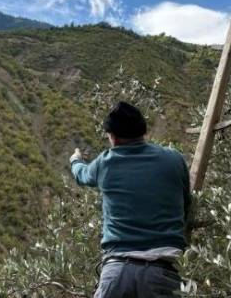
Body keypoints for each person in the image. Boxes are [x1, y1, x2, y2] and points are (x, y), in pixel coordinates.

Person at [69, 101, 191, 298]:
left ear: (113, 138)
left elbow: (81, 175)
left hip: (117, 273)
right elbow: (186, 204)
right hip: (164, 273)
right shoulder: (174, 159)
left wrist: (75, 160)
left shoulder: (106, 163)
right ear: (142, 131)